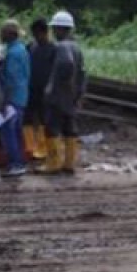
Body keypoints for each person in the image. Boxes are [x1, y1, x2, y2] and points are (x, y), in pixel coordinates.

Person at [40, 10, 87, 175]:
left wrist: (55, 87)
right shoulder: (76, 47)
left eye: (55, 29)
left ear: (60, 29)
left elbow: (67, 65)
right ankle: (69, 163)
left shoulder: (62, 46)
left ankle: (53, 163)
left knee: (51, 128)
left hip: (59, 96)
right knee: (70, 128)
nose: (53, 32)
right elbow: (82, 73)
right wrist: (79, 94)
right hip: (72, 96)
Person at [0, 20, 30, 178]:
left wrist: (4, 102)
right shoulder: (21, 49)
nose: (0, 35)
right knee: (16, 131)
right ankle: (20, 161)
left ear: (9, 34)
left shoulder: (12, 53)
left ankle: (15, 164)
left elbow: (10, 80)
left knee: (7, 131)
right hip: (21, 97)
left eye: (2, 32)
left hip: (12, 99)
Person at [25, 18, 56, 168]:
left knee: (45, 121)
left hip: (46, 91)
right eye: (34, 34)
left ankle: (43, 150)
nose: (36, 37)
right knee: (28, 119)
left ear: (45, 32)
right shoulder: (31, 46)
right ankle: (30, 149)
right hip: (31, 88)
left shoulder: (53, 49)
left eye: (38, 34)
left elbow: (56, 71)